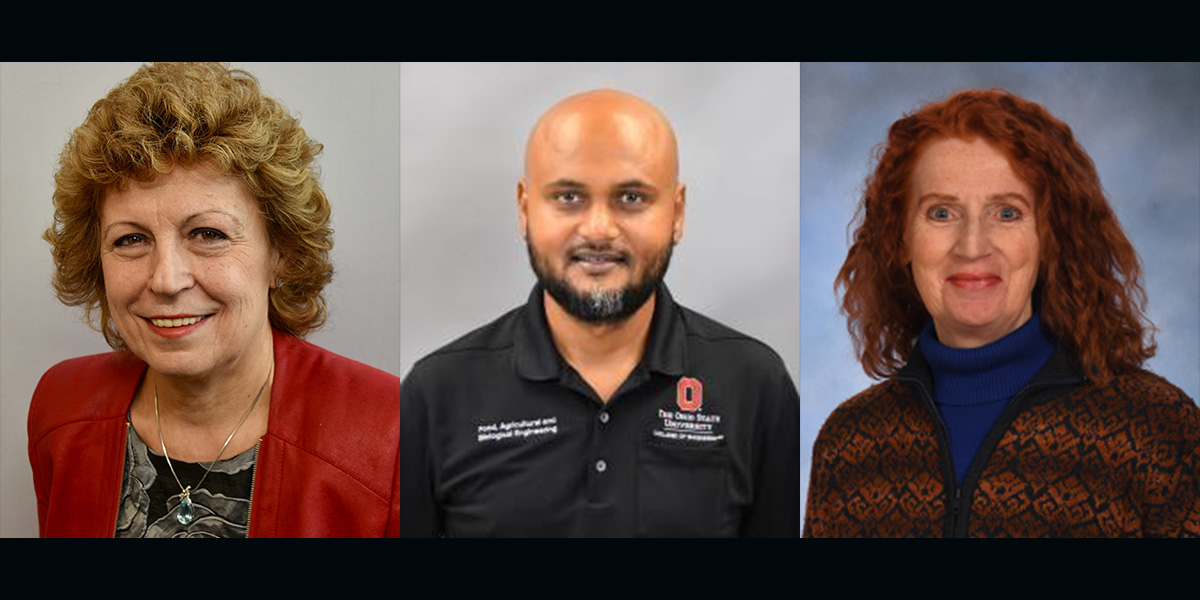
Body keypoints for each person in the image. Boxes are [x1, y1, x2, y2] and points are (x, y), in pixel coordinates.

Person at [400, 89, 799, 537]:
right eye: (568, 197)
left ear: (678, 212)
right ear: (525, 208)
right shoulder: (435, 396)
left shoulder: (756, 386)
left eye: (631, 198)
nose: (598, 229)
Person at [804, 88, 1200, 537]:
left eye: (1007, 213)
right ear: (900, 239)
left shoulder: (1156, 429)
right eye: (941, 213)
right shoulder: (850, 443)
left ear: (1050, 237)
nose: (972, 246)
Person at [29, 62, 401, 537]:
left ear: (280, 253)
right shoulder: (60, 409)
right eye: (130, 239)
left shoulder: (391, 432)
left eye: (208, 233)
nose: (165, 279)